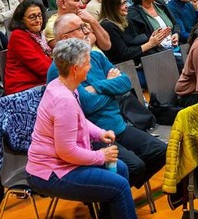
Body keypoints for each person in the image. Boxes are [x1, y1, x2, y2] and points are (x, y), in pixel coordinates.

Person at [47, 14, 167, 192]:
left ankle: (113, 193)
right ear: (65, 38)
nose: (88, 31)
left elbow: (126, 83)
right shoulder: (59, 68)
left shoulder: (95, 56)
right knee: (135, 166)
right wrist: (112, 88)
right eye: (81, 28)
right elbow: (87, 104)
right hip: (93, 136)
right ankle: (109, 197)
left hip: (119, 126)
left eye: (86, 26)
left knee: (162, 151)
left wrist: (97, 87)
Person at [26, 38, 137, 219]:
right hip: (52, 172)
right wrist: (101, 156)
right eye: (87, 63)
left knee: (121, 169)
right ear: (75, 69)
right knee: (119, 187)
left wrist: (99, 133)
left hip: (63, 163)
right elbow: (66, 152)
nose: (90, 67)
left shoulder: (65, 85)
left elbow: (80, 120)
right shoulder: (63, 100)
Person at [4, 0, 53, 95]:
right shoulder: (18, 36)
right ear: (21, 20)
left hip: (41, 83)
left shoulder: (39, 35)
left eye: (39, 15)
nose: (38, 20)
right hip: (23, 89)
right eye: (32, 17)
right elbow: (41, 67)